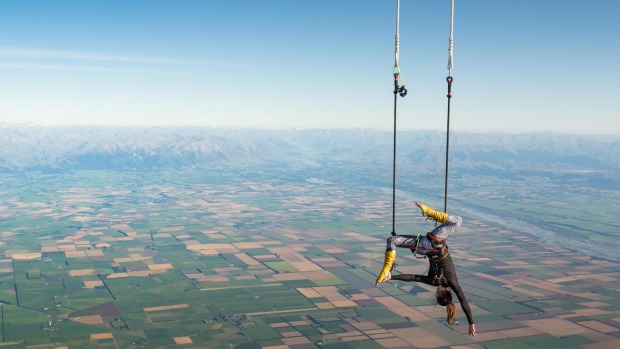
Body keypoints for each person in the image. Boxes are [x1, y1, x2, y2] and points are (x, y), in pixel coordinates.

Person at [375, 202, 476, 337]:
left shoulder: (452, 281)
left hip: (434, 242)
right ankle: (386, 270)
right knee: (391, 240)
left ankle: (429, 211)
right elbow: (412, 278)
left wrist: (471, 323)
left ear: (448, 292)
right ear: (439, 294)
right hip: (422, 248)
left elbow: (463, 300)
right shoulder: (433, 281)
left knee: (458, 221)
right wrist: (391, 277)